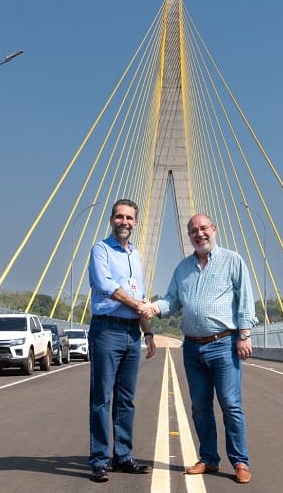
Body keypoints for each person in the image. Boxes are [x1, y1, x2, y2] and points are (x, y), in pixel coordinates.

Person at [148, 213, 258, 484]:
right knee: (199, 407)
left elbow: (245, 298)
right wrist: (153, 307)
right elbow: (172, 300)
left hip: (224, 344)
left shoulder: (233, 261)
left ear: (214, 229)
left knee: (231, 405)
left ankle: (240, 462)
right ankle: (208, 458)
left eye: (204, 228)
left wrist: (244, 334)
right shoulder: (183, 268)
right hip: (192, 348)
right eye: (193, 231)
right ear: (189, 236)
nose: (199, 234)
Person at [86, 198, 157, 483]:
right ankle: (100, 460)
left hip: (131, 333)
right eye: (119, 217)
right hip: (106, 330)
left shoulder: (136, 256)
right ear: (111, 219)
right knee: (102, 398)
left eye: (129, 218)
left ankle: (123, 456)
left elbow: (138, 298)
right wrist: (138, 306)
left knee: (126, 399)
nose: (124, 222)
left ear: (136, 223)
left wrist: (148, 331)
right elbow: (105, 285)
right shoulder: (100, 249)